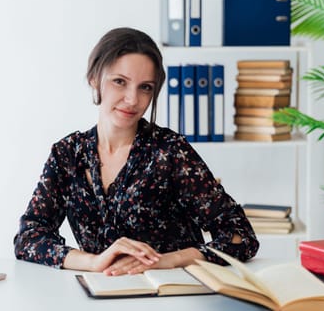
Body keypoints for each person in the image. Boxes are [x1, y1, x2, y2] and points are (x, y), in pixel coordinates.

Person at [14, 27, 259, 275]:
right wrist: (93, 261)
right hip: (102, 294)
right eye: (119, 82)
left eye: (145, 88)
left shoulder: (171, 152)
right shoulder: (66, 154)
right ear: (94, 79)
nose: (132, 99)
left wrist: (168, 260)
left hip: (174, 294)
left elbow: (240, 235)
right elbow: (29, 237)